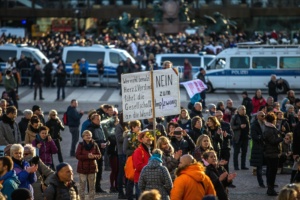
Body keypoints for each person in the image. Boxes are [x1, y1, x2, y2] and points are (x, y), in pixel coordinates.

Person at [76, 130, 101, 200]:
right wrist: (87, 156)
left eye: (89, 135)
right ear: (83, 137)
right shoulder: (80, 145)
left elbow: (99, 155)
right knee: (82, 187)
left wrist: (94, 156)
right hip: (82, 169)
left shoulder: (95, 144)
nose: (88, 136)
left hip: (92, 168)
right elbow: (77, 156)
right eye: (86, 135)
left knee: (92, 187)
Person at [263, 112, 284, 196]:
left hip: (271, 152)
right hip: (271, 153)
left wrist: (280, 132)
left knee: (271, 171)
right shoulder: (268, 129)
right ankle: (270, 189)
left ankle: (270, 188)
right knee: (272, 172)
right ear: (273, 120)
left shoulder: (270, 127)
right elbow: (272, 141)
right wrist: (281, 138)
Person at [87, 113, 108, 193]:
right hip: (93, 153)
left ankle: (98, 187)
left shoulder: (100, 127)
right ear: (92, 120)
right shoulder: (90, 129)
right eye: (97, 119)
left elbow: (102, 137)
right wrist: (99, 144)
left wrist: (105, 142)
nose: (99, 121)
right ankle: (91, 189)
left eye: (99, 119)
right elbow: (90, 140)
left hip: (100, 152)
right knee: (92, 172)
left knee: (99, 171)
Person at [132, 130, 153, 199]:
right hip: (140, 181)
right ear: (142, 139)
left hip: (148, 181)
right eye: (147, 137)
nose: (149, 138)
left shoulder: (150, 150)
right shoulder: (138, 151)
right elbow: (138, 167)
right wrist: (151, 166)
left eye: (150, 136)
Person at [230, 105, 250, 170]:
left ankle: (243, 165)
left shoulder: (246, 117)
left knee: (244, 152)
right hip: (237, 138)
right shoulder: (235, 117)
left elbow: (248, 126)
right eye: (242, 109)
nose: (243, 110)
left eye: (244, 109)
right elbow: (231, 126)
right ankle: (236, 166)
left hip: (245, 137)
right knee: (236, 152)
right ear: (238, 111)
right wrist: (239, 127)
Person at [250, 111, 266, 188]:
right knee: (259, 168)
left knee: (268, 166)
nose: (263, 117)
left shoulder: (266, 124)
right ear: (257, 117)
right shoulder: (254, 125)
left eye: (264, 115)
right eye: (261, 116)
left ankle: (270, 182)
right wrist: (262, 137)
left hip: (266, 148)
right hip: (258, 148)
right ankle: (261, 183)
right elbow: (254, 137)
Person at [115, 112, 128, 199]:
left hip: (126, 152)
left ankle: (128, 192)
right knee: (121, 173)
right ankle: (120, 192)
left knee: (127, 173)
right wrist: (127, 136)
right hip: (121, 152)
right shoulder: (118, 127)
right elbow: (119, 139)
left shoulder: (126, 126)